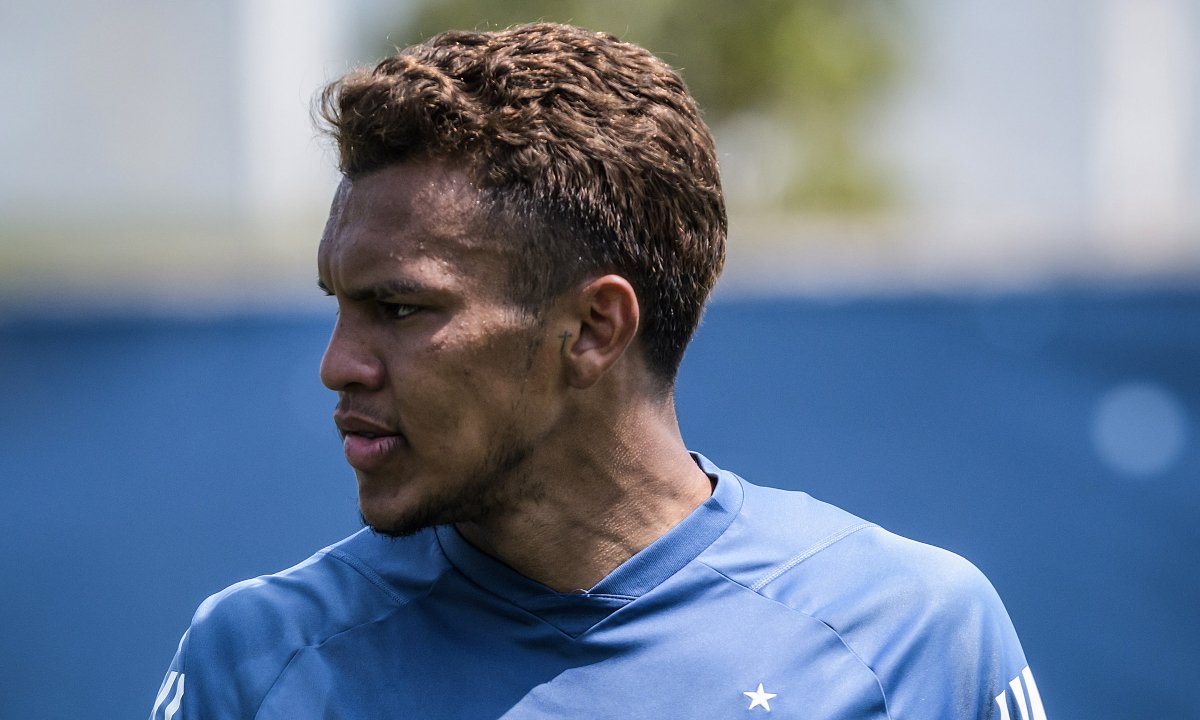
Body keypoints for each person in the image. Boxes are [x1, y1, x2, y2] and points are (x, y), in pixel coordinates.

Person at [150, 22, 1046, 720]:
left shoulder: (914, 636)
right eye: (338, 305)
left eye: (400, 310)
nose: (337, 366)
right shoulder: (252, 659)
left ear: (593, 327)